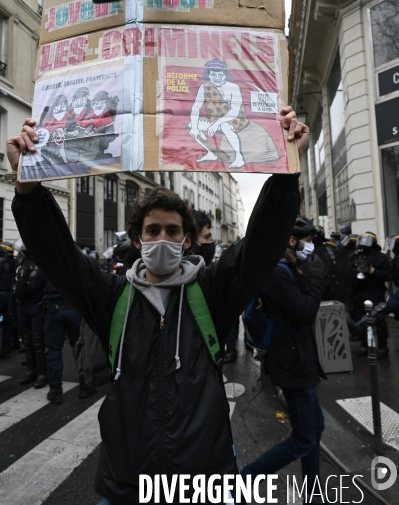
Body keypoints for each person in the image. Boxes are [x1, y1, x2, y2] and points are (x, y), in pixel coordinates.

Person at [8, 106, 307, 504]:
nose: (162, 237)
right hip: (129, 482)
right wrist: (28, 190)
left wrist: (285, 177)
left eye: (172, 230)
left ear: (187, 241)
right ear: (138, 239)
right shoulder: (112, 296)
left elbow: (260, 246)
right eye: (153, 230)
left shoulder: (211, 292)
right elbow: (58, 255)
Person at [241, 216, 326, 504]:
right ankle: (244, 480)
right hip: (291, 364)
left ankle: (312, 493)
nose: (311, 246)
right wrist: (315, 277)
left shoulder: (288, 266)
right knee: (304, 437)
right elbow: (305, 311)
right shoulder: (276, 272)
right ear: (291, 240)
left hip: (299, 360)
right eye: (308, 240)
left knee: (314, 429)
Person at [187, 58, 279, 169]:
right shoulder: (204, 87)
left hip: (236, 119)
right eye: (213, 75)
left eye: (220, 75)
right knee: (191, 126)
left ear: (224, 75)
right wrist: (195, 127)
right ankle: (211, 152)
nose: (217, 78)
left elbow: (234, 110)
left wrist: (217, 124)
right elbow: (196, 106)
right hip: (213, 119)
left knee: (225, 126)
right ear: (209, 75)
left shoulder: (233, 87)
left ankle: (239, 157)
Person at [351, 232, 391, 358]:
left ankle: (383, 347)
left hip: (375, 291)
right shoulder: (358, 256)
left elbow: (388, 275)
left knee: (378, 319)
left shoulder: (381, 257)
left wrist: (373, 271)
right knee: (361, 318)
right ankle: (365, 345)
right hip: (360, 291)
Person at [14, 246, 48, 387]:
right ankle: (31, 370)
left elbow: (46, 287)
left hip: (36, 306)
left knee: (37, 342)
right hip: (23, 307)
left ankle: (42, 373)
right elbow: (14, 287)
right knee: (28, 341)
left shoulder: (41, 266)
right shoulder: (21, 266)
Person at [0, 242, 18, 359]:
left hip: (1, 295)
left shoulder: (1, 263)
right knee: (8, 322)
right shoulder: (16, 263)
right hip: (12, 296)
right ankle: (6, 346)